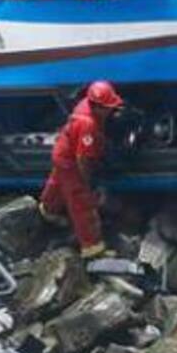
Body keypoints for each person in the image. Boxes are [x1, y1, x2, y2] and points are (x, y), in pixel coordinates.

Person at [38, 81, 124, 257]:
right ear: (98, 107)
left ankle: (48, 209)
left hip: (62, 152)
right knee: (81, 202)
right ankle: (92, 246)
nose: (110, 111)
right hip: (72, 162)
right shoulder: (87, 125)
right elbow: (82, 159)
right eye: (108, 108)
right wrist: (88, 181)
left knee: (58, 183)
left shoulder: (84, 105)